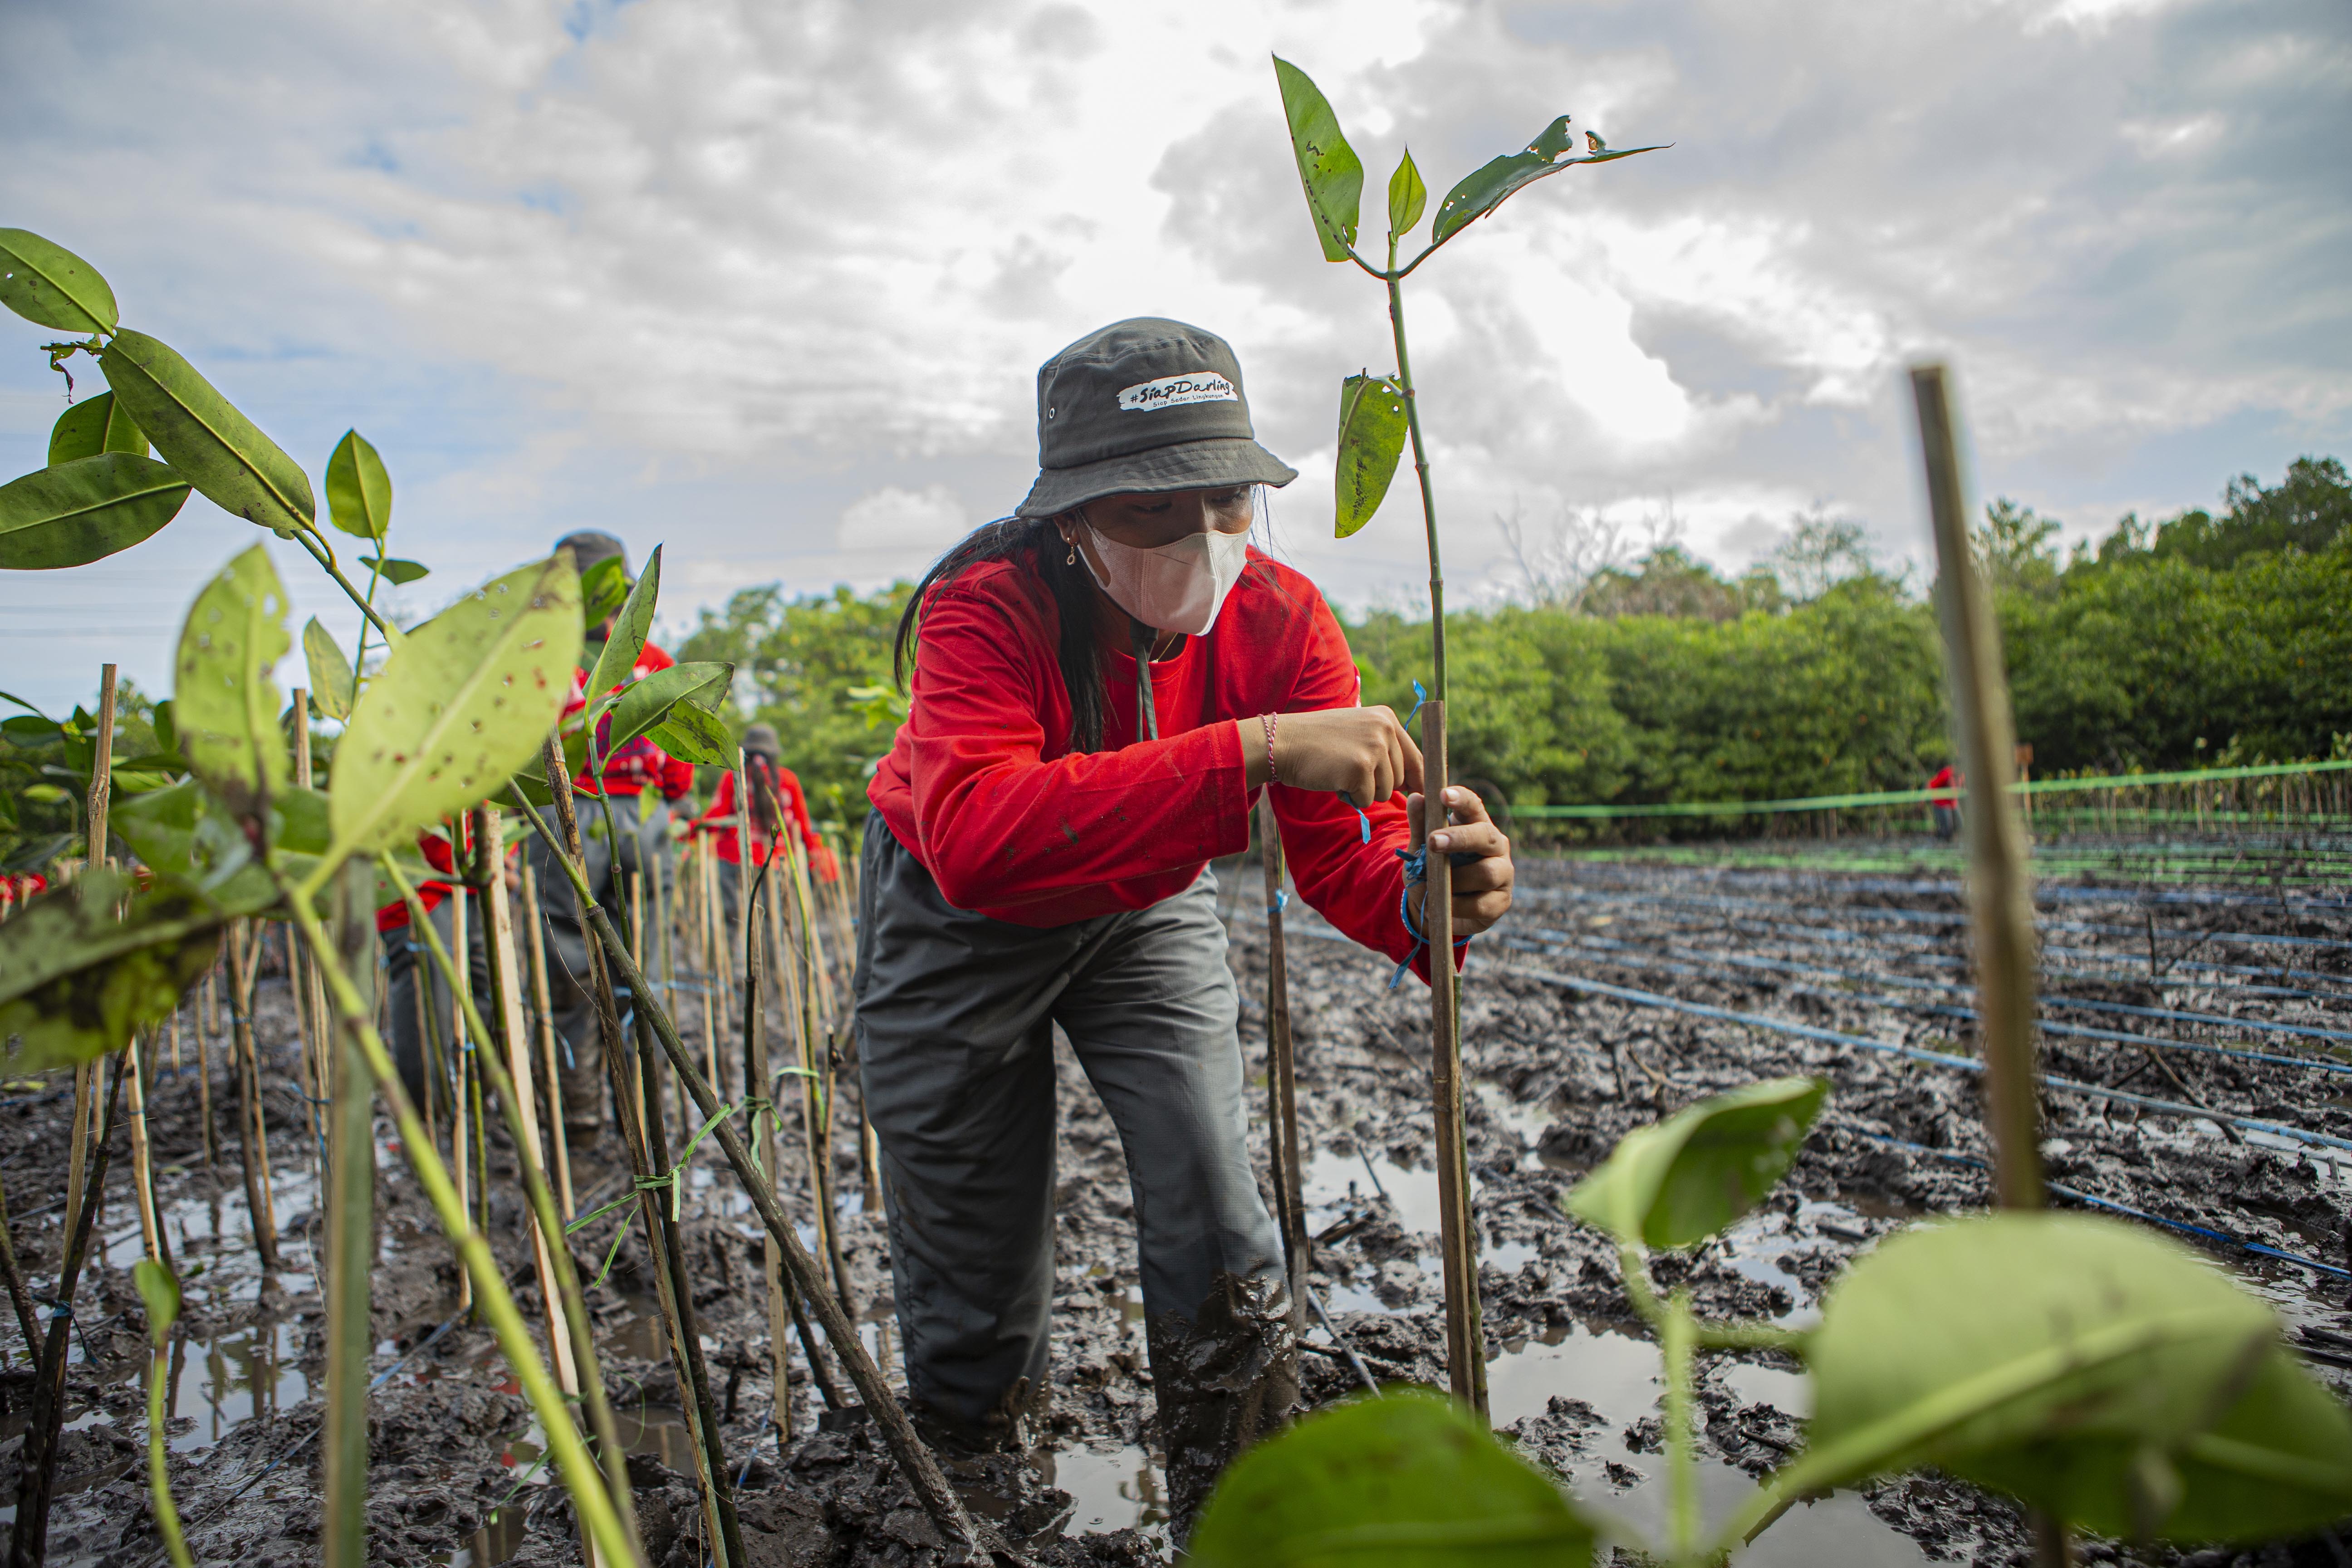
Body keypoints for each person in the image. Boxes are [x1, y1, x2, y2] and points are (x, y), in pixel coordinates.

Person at [853, 318, 1515, 1532]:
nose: (1200, 538)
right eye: (1152, 512)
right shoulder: (984, 607)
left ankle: (1240, 1514)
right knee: (974, 1261)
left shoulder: (1285, 623)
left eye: (1225, 501)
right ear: (1075, 515)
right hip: (957, 924)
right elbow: (979, 838)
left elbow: (1341, 859)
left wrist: (1429, 900)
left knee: (1217, 1201)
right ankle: (982, 1502)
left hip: (1147, 903)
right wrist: (1255, 747)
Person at [529, 529, 700, 1143]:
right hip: (644, 824)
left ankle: (581, 1115)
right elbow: (680, 771)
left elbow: (520, 754)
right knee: (644, 967)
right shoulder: (653, 661)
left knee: (568, 968)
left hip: (568, 819)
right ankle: (642, 1111)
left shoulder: (543, 659)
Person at [692, 722, 841, 931]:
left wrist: (688, 830)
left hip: (735, 861)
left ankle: (737, 960)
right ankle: (771, 962)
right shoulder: (788, 780)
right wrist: (815, 852)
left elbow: (714, 820)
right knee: (773, 923)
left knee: (733, 922)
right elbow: (804, 826)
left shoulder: (733, 778)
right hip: (776, 862)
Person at [1929, 761, 1962, 841]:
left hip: (1953, 803)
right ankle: (1943, 842)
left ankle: (1953, 841)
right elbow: (1931, 784)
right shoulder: (1946, 774)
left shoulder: (1962, 774)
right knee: (1947, 828)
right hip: (1941, 803)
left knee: (1959, 824)